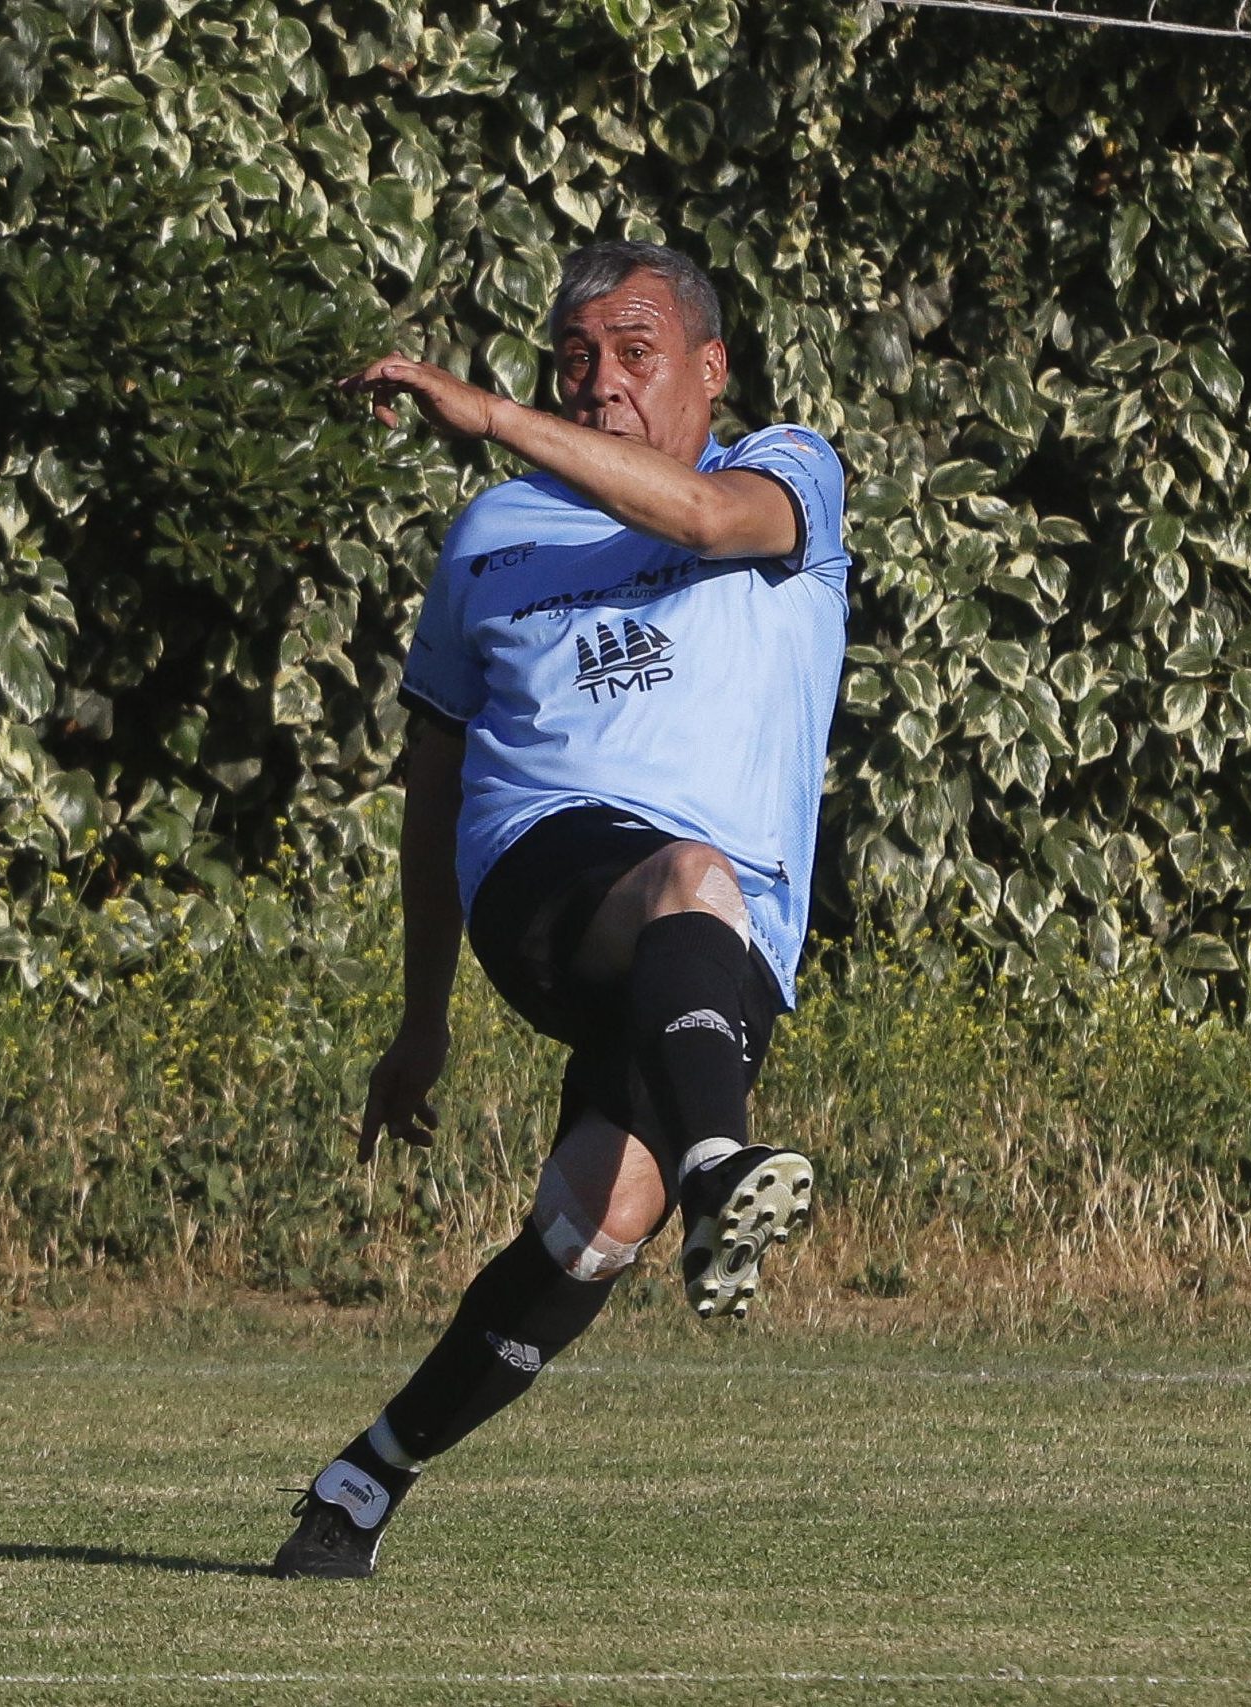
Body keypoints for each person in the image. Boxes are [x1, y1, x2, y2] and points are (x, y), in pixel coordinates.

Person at [273, 240, 850, 1579]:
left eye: (634, 354)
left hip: (726, 937)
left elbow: (702, 523)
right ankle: (721, 1168)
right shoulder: (493, 535)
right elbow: (433, 784)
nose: (600, 383)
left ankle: (364, 1480)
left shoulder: (788, 473)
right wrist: (422, 1015)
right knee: (684, 873)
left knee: (595, 1223)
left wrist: (484, 413)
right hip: (548, 874)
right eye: (575, 359)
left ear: (711, 368)